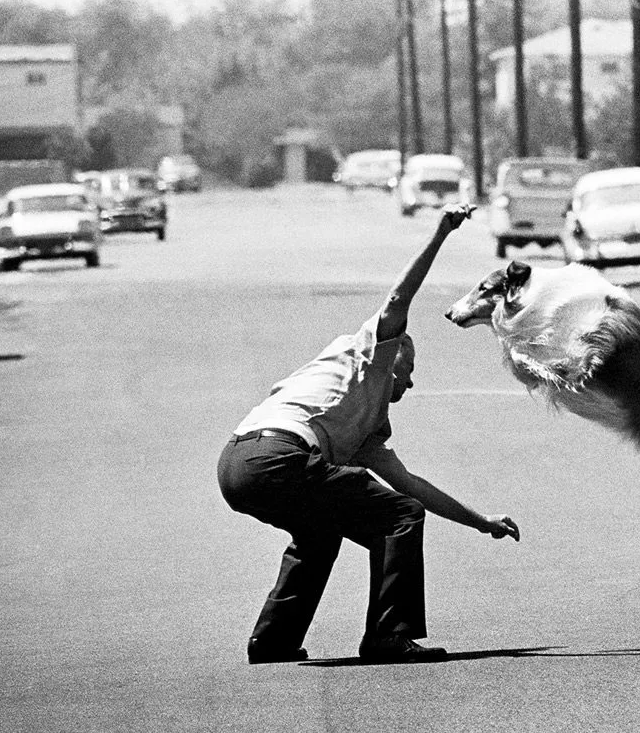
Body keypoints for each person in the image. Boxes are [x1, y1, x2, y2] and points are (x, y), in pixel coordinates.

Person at [217, 204, 520, 665]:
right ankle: (387, 635)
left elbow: (412, 485)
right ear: (391, 354)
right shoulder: (369, 357)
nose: (410, 383)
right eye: (409, 369)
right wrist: (441, 231)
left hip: (237, 464)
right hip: (278, 455)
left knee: (321, 533)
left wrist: (482, 523)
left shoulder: (364, 430)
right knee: (398, 516)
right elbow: (401, 297)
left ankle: (273, 641)